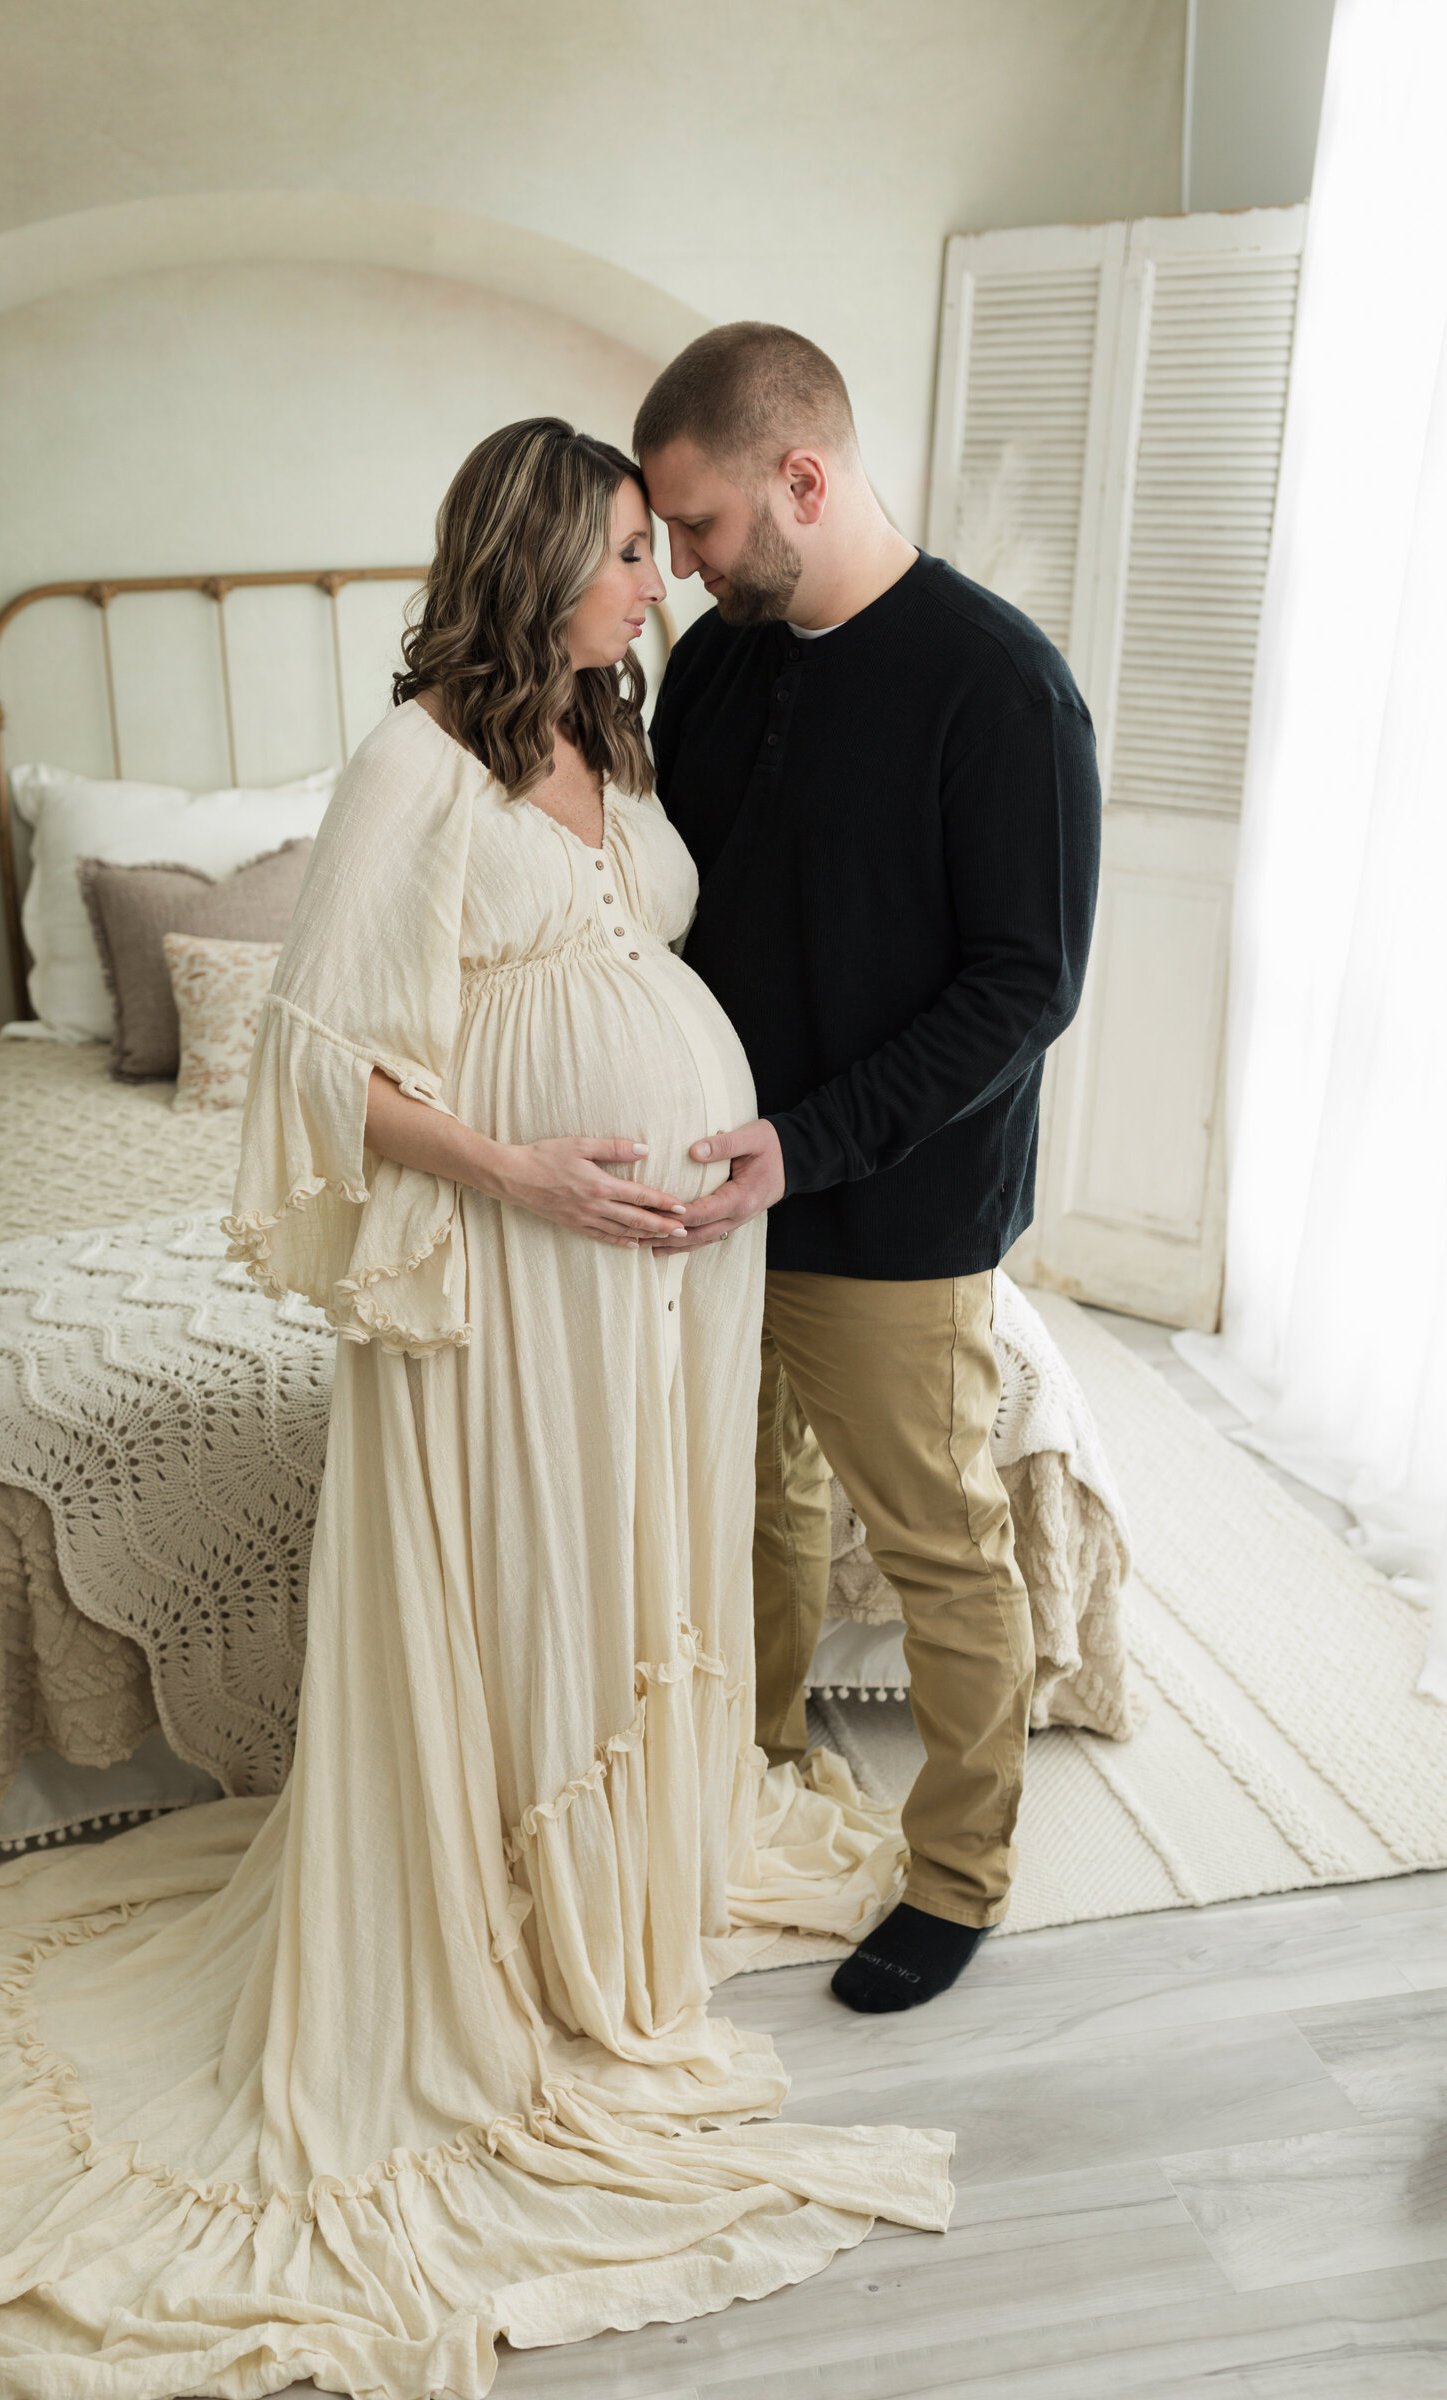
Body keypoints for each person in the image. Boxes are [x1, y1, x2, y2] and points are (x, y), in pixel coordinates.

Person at [0, 419, 952, 2399]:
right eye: (625, 549)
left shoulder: (611, 739)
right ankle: (499, 1917)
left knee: (629, 1552)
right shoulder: (413, 766)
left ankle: (613, 1883)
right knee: (521, 1570)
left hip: (671, 1258)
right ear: (533, 561)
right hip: (518, 1251)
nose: (657, 578)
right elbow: (313, 1062)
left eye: (657, 542)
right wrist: (525, 1171)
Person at [636, 325, 1101, 2013]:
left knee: (940, 1544)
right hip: (708, 1183)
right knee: (749, 1503)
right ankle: (755, 1772)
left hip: (890, 1205)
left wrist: (807, 1145)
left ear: (803, 480)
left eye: (695, 527)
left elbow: (1023, 986)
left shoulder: (1001, 685)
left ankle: (961, 1872)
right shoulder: (720, 664)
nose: (678, 563)